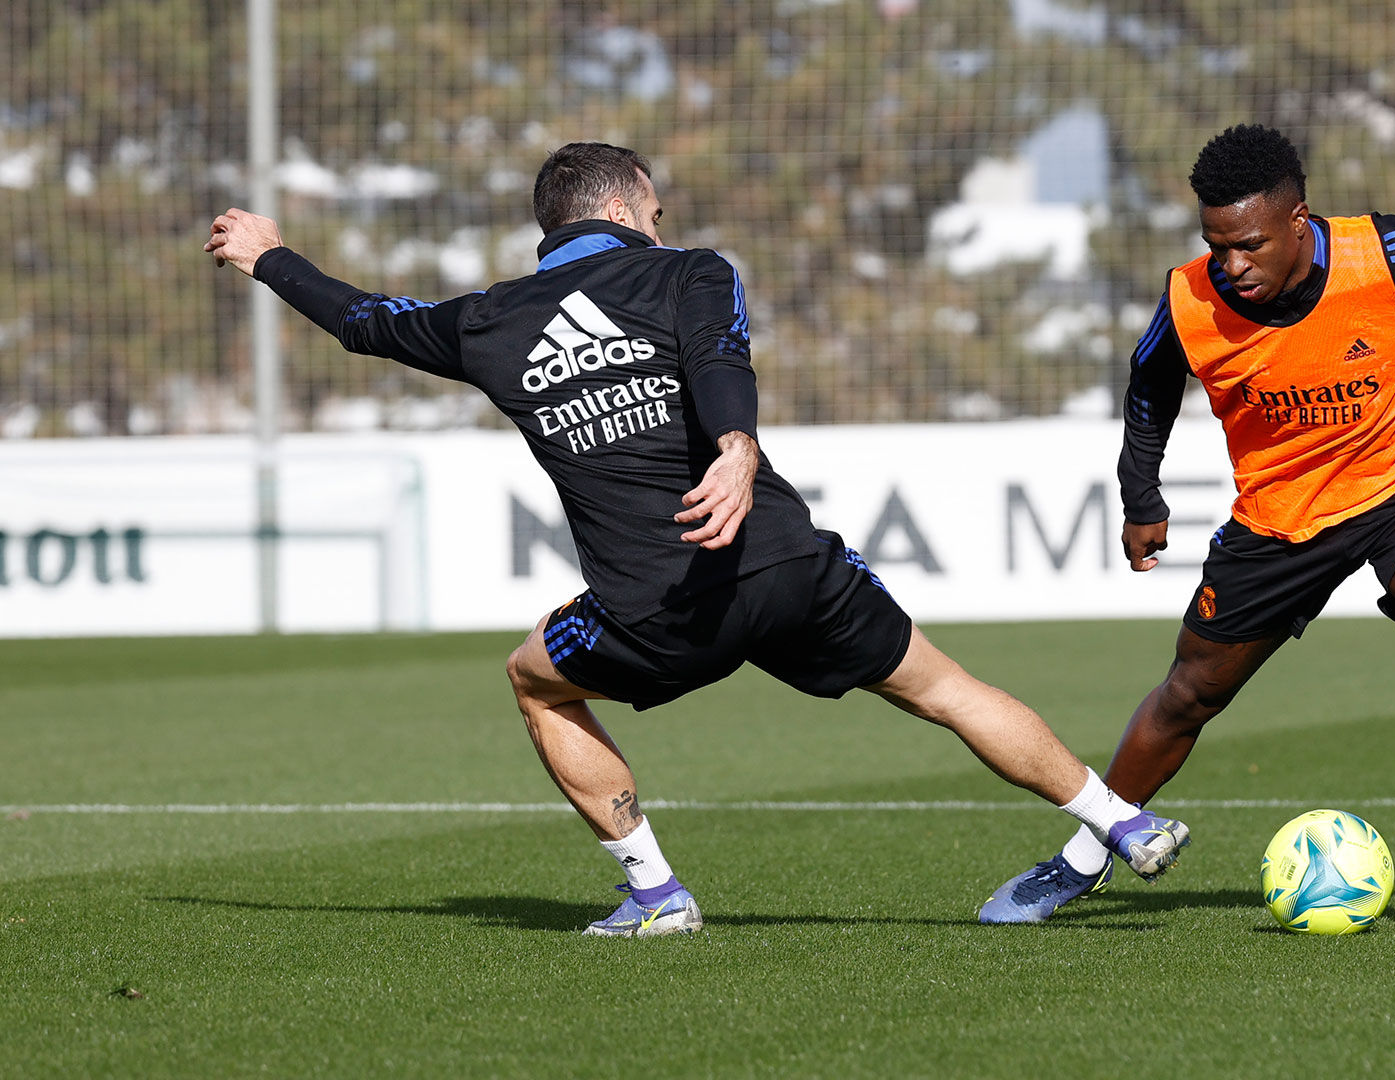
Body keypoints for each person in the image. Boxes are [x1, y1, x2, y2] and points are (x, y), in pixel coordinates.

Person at [204, 141, 1190, 938]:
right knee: (943, 687)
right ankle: (1121, 821)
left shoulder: (489, 324)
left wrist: (267, 255)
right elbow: (720, 360)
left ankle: (654, 895)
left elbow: (366, 320)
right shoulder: (691, 275)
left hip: (661, 609)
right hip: (787, 565)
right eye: (657, 207)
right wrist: (735, 448)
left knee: (533, 675)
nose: (663, 221)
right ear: (631, 202)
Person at [978, 123, 1395, 924]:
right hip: (1279, 520)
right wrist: (1141, 499)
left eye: (1249, 245)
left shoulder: (1388, 256)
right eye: (1216, 244)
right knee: (1188, 695)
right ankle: (1086, 855)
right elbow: (1148, 386)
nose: (1231, 266)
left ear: (1299, 221)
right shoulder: (1191, 297)